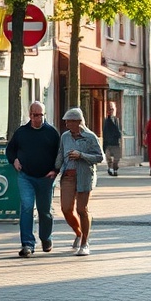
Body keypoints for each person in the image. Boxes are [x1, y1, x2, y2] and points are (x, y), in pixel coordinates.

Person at [5, 101, 62, 257]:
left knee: (45, 211)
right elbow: (10, 150)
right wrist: (14, 160)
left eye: (41, 115)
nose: (38, 118)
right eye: (35, 115)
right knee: (27, 206)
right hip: (26, 177)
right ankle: (27, 244)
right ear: (30, 115)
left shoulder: (51, 133)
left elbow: (60, 154)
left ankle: (46, 237)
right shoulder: (21, 132)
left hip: (46, 178)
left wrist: (55, 170)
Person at [56, 107, 103, 256]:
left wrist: (81, 155)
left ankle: (85, 242)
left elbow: (99, 157)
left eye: (70, 121)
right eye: (66, 121)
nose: (67, 124)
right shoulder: (65, 137)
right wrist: (54, 170)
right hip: (68, 177)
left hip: (84, 176)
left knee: (82, 210)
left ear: (78, 122)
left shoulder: (90, 137)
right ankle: (78, 232)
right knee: (66, 208)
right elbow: (60, 155)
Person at [102, 102, 123, 177]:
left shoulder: (117, 120)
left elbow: (119, 130)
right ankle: (110, 169)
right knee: (109, 158)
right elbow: (104, 131)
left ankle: (115, 168)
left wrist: (119, 137)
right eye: (110, 109)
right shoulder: (106, 120)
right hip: (108, 142)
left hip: (116, 142)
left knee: (117, 158)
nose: (112, 111)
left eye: (113, 109)